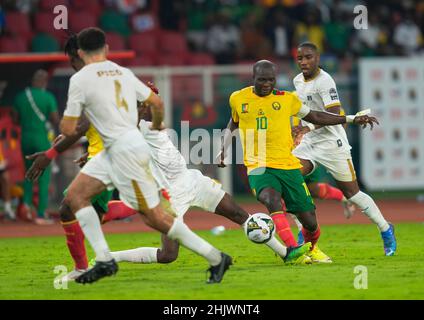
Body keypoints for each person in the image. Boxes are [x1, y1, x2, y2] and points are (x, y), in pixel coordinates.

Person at [26, 36, 311, 281]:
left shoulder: (148, 119)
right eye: (147, 102)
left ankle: (286, 252)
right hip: (170, 194)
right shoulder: (131, 124)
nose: (151, 105)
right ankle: (110, 256)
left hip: (190, 179)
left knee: (239, 213)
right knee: (167, 256)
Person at [59, 27, 232, 284]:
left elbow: (68, 128)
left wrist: (71, 130)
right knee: (73, 198)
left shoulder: (81, 80)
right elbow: (157, 104)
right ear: (106, 49)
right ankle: (104, 260)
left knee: (157, 218)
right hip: (119, 149)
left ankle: (217, 257)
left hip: (123, 152)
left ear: (81, 53)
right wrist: (156, 125)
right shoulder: (123, 73)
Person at [219, 59, 379, 263]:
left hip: (288, 164)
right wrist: (222, 148)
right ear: (253, 78)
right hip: (258, 166)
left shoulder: (287, 100)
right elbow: (233, 122)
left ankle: (311, 249)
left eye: (271, 80)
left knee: (310, 220)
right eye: (262, 80)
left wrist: (349, 118)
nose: (267, 84)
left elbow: (315, 116)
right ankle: (292, 251)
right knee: (271, 199)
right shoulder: (238, 98)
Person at [292, 42, 396, 256]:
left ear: (317, 58)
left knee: (353, 193)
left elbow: (333, 115)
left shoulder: (325, 81)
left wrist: (306, 127)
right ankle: (304, 233)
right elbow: (304, 111)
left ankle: (385, 229)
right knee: (290, 178)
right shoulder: (297, 81)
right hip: (309, 142)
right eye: (300, 58)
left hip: (332, 144)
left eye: (308, 57)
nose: (304, 62)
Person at [12, 69, 59, 225]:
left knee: (28, 174)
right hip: (41, 139)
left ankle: (25, 208)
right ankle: (40, 213)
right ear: (44, 81)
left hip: (25, 138)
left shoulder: (20, 97)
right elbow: (54, 119)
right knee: (44, 176)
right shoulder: (47, 97)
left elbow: (14, 117)